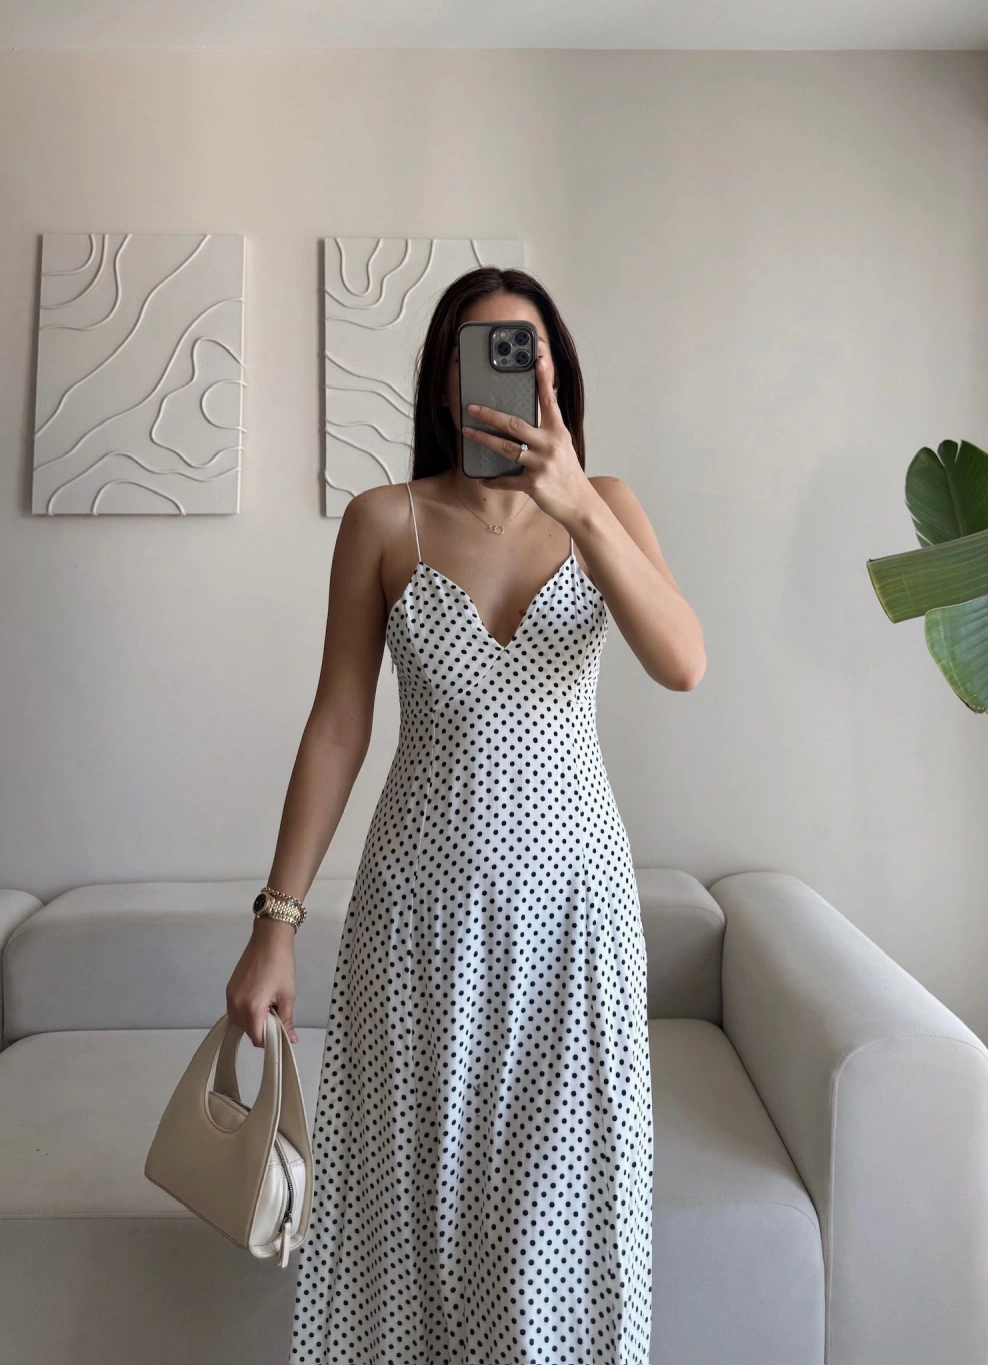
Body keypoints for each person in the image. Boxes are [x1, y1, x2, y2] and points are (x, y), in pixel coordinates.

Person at [225, 266, 706, 1365]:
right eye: (475, 353)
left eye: (522, 351)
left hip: (575, 924)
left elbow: (682, 661)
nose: (500, 373)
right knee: (409, 1221)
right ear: (444, 383)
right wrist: (274, 925)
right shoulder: (383, 521)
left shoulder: (608, 505)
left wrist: (576, 505)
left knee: (561, 1231)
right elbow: (337, 727)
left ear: (555, 374)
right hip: (414, 924)